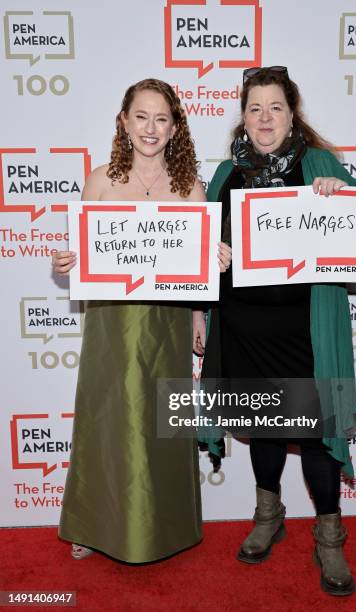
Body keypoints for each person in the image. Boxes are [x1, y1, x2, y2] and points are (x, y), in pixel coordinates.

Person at [193, 66, 356, 596]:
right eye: (254, 108)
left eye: (276, 108)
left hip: (302, 331)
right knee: (263, 428)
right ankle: (269, 514)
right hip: (243, 328)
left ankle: (329, 537)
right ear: (243, 116)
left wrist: (339, 193)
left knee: (314, 436)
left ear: (293, 114)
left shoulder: (320, 164)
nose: (264, 118)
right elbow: (201, 250)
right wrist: (204, 295)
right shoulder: (225, 175)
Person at [52, 78, 231, 563]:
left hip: (167, 320)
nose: (150, 128)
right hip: (111, 319)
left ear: (175, 128)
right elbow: (80, 252)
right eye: (141, 117)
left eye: (162, 119)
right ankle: (92, 523)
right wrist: (64, 262)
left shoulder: (188, 186)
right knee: (105, 415)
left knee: (162, 416)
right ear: (124, 122)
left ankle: (167, 523)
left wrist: (202, 302)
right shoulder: (100, 180)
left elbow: (199, 266)